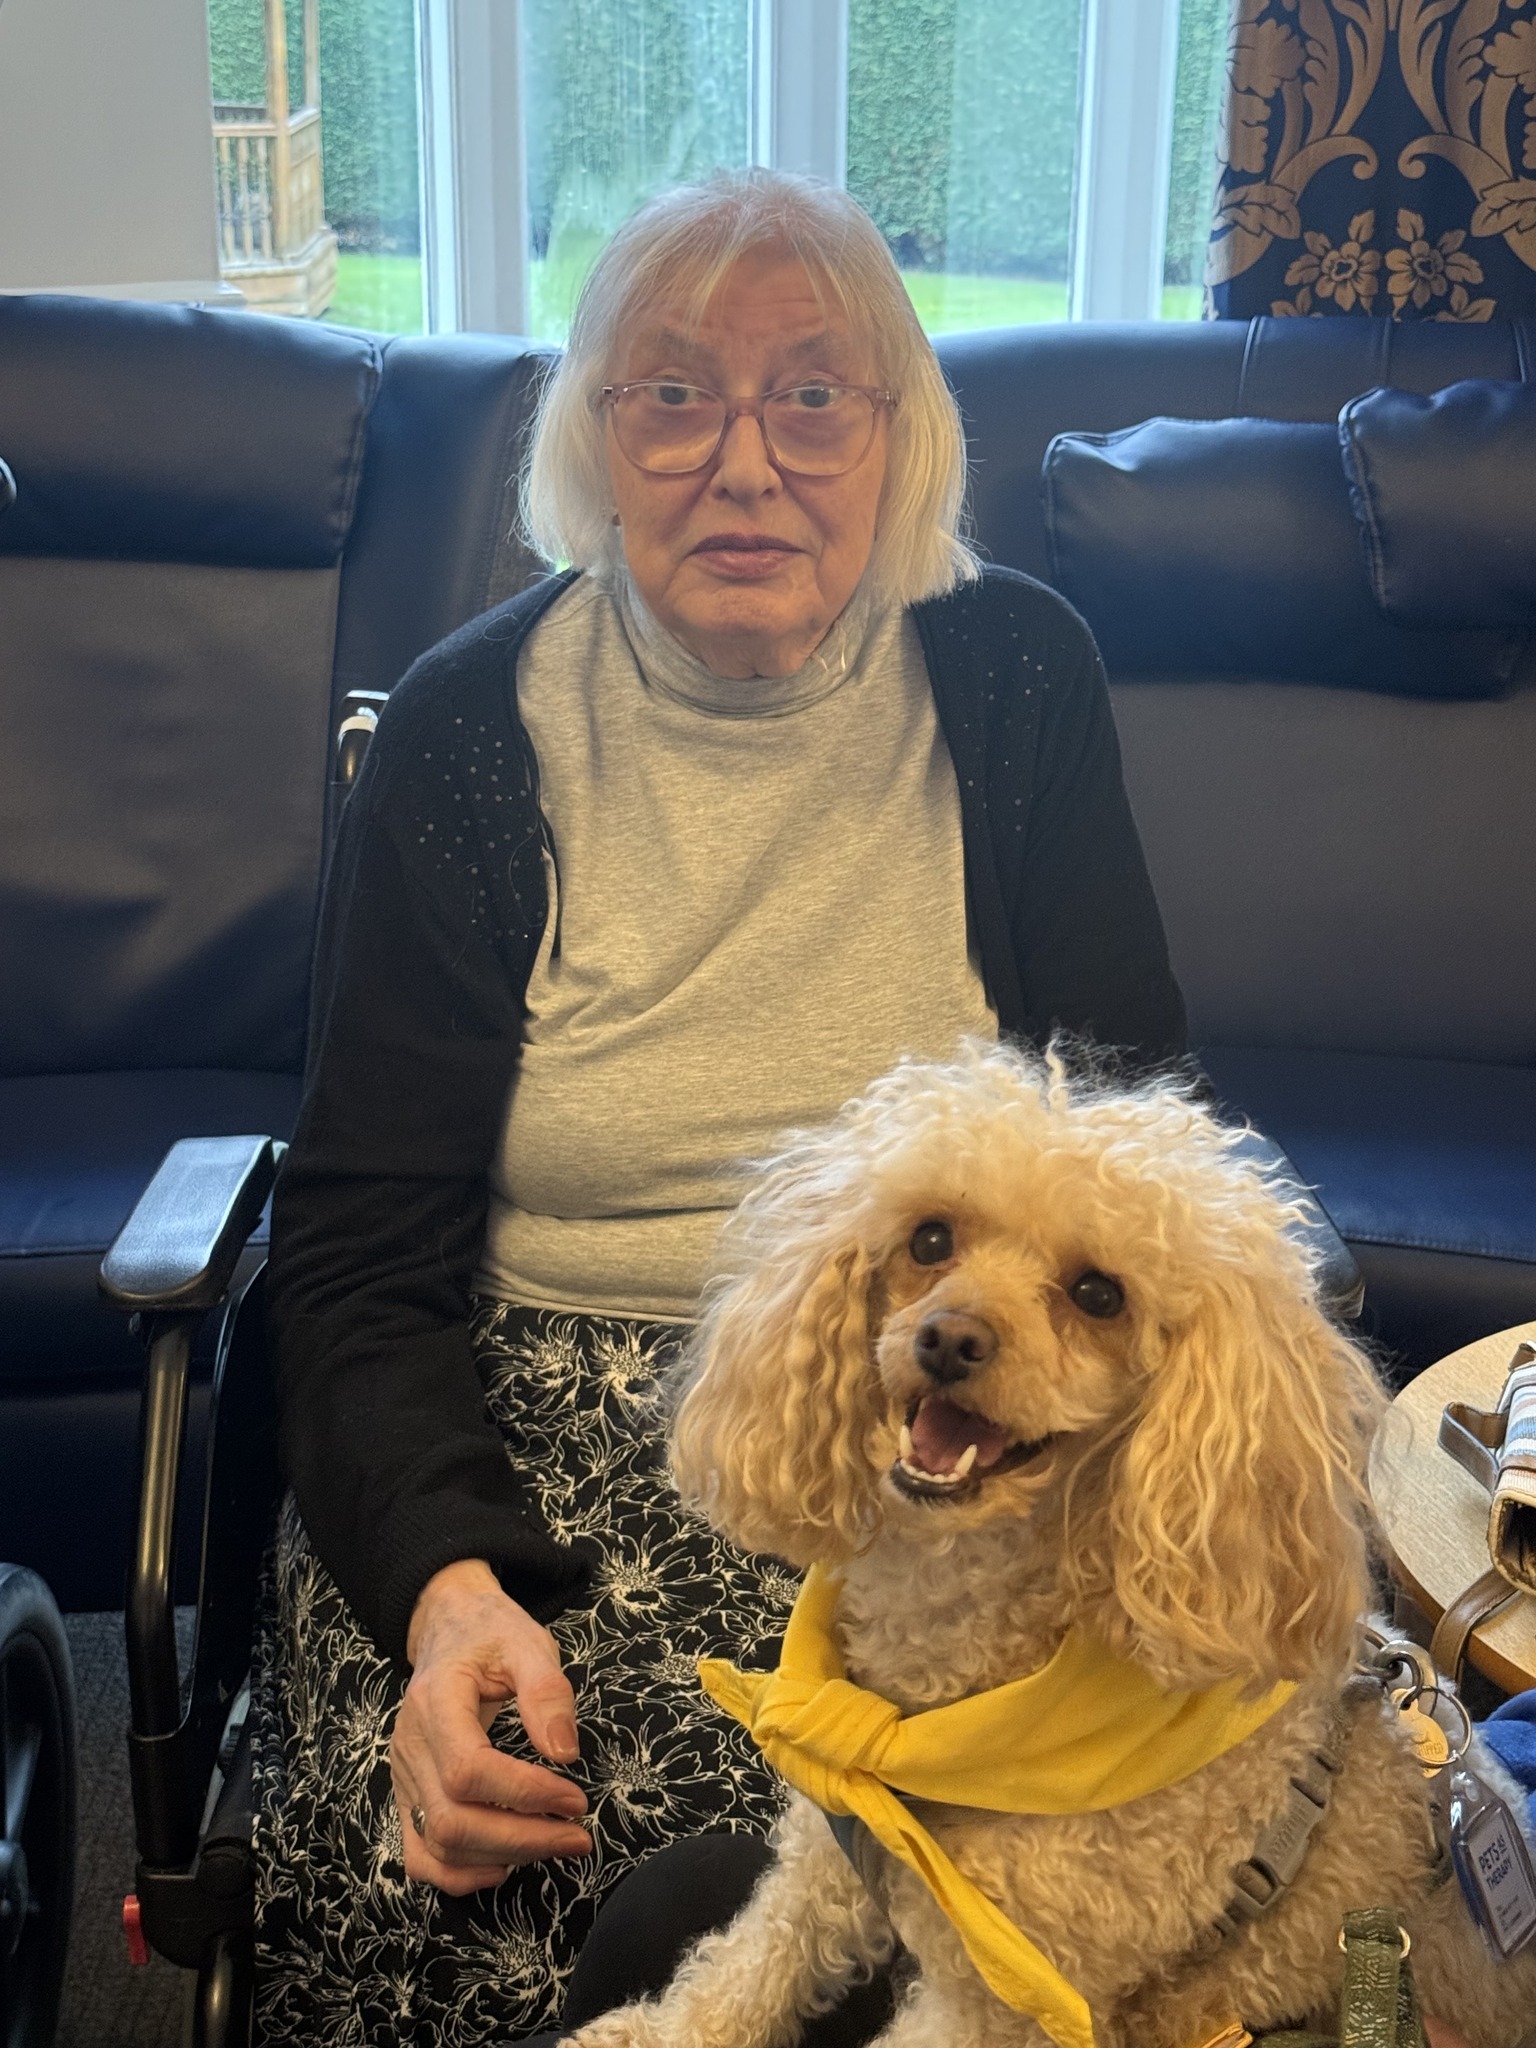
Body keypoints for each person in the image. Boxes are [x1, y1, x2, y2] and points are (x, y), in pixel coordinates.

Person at [254, 167, 1186, 2043]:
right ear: (596, 445)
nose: (744, 461)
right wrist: (446, 1593)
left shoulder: (1013, 680)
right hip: (521, 1426)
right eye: (672, 393)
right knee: (483, 1845)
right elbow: (354, 1256)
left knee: (936, 1902)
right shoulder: (466, 730)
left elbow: (1136, 1157)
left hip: (934, 1431)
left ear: (901, 438)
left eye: (813, 395)